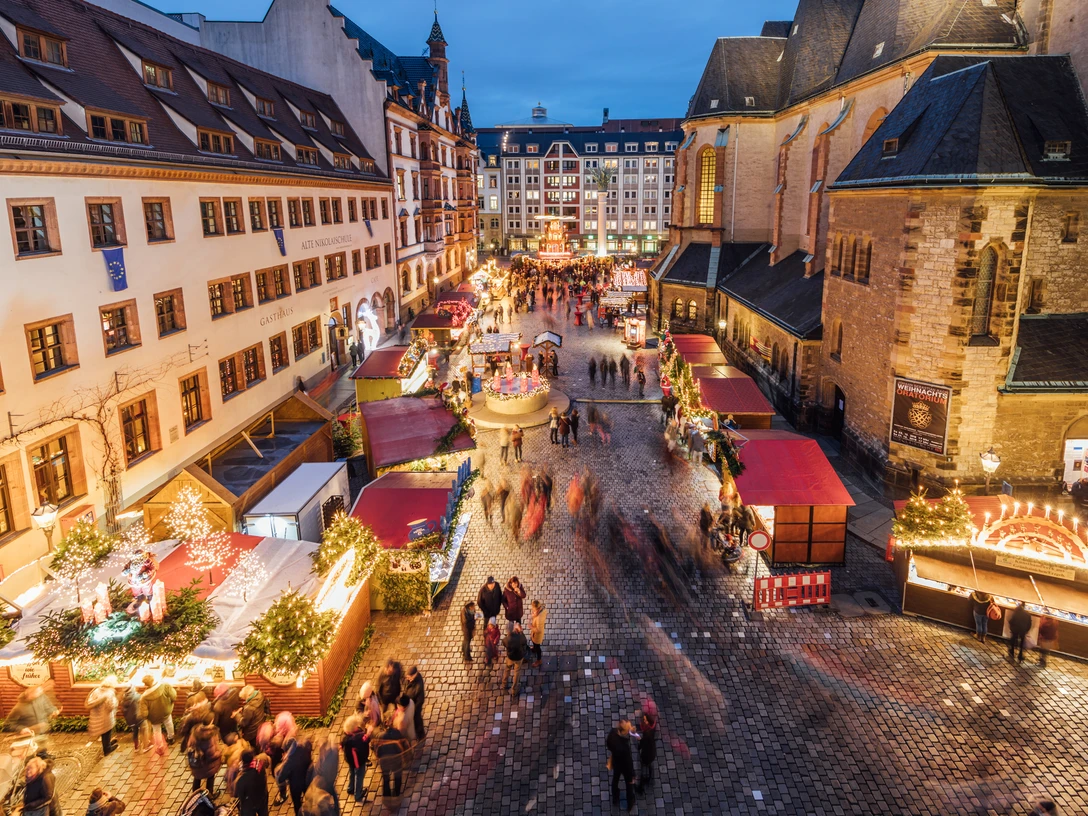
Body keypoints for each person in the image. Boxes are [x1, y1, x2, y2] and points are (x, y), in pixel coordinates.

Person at [276, 727, 313, 815]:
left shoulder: (288, 762)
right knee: (309, 797)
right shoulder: (303, 747)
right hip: (307, 778)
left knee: (297, 803)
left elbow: (281, 778)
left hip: (295, 784)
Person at [185, 709, 222, 794]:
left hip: (196, 763)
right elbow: (211, 755)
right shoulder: (210, 736)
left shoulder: (195, 731)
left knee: (197, 778)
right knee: (210, 779)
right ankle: (209, 795)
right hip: (207, 766)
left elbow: (189, 745)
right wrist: (220, 752)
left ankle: (195, 795)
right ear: (211, 721)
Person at [606, 719, 637, 812]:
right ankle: (630, 804)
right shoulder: (624, 747)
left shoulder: (612, 733)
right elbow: (629, 762)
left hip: (616, 762)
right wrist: (632, 775)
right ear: (624, 732)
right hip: (625, 767)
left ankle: (615, 797)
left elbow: (608, 744)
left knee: (615, 779)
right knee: (629, 785)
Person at [141, 674, 177, 751]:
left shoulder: (143, 697)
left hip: (154, 717)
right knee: (169, 723)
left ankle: (160, 746)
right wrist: (171, 702)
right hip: (166, 710)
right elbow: (174, 695)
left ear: (145, 684)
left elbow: (144, 713)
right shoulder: (165, 686)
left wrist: (147, 717)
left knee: (156, 731)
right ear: (153, 679)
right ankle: (171, 738)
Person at [341, 715, 370, 804]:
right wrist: (368, 734)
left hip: (350, 760)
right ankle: (358, 794)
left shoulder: (345, 737)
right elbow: (365, 742)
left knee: (352, 773)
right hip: (358, 762)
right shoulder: (356, 739)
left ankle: (351, 788)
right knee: (359, 776)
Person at [86, 678, 118, 757]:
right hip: (106, 718)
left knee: (104, 733)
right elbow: (110, 707)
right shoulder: (109, 694)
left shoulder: (96, 691)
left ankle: (107, 744)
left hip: (97, 717)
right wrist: (116, 702)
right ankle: (107, 749)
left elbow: (90, 702)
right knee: (106, 732)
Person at [374, 724, 407, 799]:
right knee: (397, 776)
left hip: (384, 760)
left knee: (386, 778)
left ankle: (386, 794)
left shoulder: (379, 736)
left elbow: (375, 748)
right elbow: (403, 743)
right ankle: (397, 793)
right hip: (396, 759)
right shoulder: (396, 733)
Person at [234, 749, 270, 816]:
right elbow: (267, 763)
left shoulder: (242, 778)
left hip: (250, 803)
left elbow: (237, 794)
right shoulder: (260, 762)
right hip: (262, 795)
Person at [501, 622, 529, 697]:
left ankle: (504, 683)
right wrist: (520, 631)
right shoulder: (519, 637)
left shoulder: (505, 639)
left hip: (510, 657)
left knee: (507, 669)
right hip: (518, 657)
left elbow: (504, 643)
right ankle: (514, 689)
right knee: (517, 672)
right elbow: (525, 641)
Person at [636, 705, 658, 793]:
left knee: (642, 769)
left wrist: (639, 741)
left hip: (647, 755)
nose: (643, 721)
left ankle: (641, 787)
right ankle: (650, 778)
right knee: (649, 766)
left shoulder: (647, 733)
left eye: (645, 720)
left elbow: (642, 744)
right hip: (652, 753)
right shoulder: (652, 728)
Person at [120, 684, 146, 751]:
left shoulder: (123, 698)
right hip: (139, 717)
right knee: (144, 730)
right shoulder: (137, 696)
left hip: (131, 719)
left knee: (135, 732)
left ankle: (136, 746)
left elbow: (123, 710)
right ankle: (146, 745)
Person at [403, 667, 425, 740]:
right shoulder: (409, 680)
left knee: (417, 718)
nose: (407, 679)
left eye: (409, 677)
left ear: (414, 675)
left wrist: (414, 709)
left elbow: (419, 700)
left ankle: (420, 734)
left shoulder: (418, 686)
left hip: (415, 705)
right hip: (409, 702)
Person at [529, 600, 547, 668]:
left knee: (537, 647)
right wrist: (534, 615)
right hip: (535, 634)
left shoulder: (539, 618)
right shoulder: (542, 609)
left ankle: (539, 660)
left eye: (534, 609)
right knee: (535, 645)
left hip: (537, 635)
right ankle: (534, 649)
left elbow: (538, 630)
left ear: (538, 609)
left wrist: (531, 627)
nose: (532, 610)